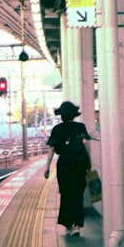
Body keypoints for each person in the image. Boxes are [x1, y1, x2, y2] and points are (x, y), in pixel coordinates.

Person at [44, 101, 91, 236]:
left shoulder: (57, 129)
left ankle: (68, 225)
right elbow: (86, 144)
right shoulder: (80, 127)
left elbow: (52, 148)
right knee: (78, 193)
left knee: (66, 194)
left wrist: (47, 167)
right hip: (79, 163)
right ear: (74, 115)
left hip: (64, 163)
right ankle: (77, 225)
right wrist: (89, 162)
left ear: (61, 115)